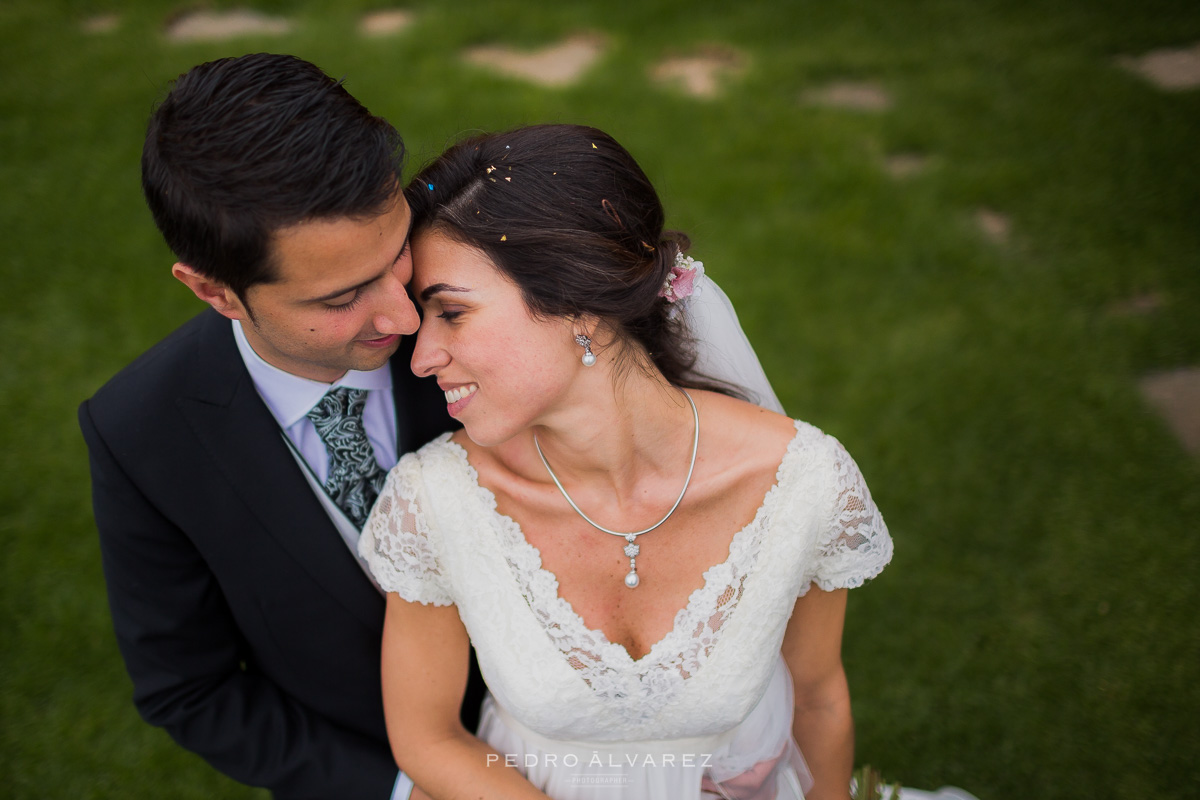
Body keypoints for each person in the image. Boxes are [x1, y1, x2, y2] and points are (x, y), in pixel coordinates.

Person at [358, 124, 894, 799]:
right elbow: (427, 738)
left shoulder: (801, 482)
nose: (421, 355)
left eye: (452, 314)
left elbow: (818, 697)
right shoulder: (434, 499)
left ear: (578, 302)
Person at [77, 53, 485, 799]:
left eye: (395, 253)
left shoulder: (486, 302)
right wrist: (402, 790)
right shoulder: (141, 434)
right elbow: (189, 689)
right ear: (215, 291)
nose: (404, 316)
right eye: (341, 298)